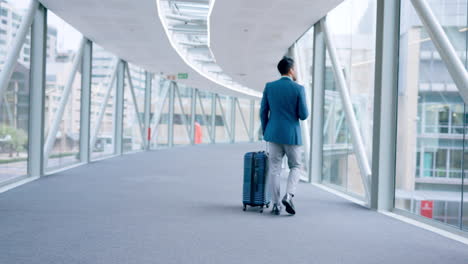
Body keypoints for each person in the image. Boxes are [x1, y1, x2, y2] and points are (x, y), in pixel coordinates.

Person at [260, 56, 309, 215]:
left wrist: (267, 131)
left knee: (274, 168)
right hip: (292, 136)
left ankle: (276, 205)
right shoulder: (298, 88)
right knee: (295, 166)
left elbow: (263, 112)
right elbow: (303, 115)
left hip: (273, 134)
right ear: (290, 70)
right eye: (294, 68)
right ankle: (288, 195)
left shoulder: (269, 87)